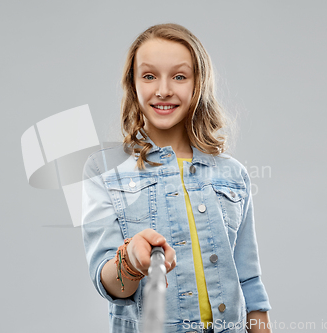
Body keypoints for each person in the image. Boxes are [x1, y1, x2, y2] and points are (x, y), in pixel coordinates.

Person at [81, 23, 272, 333]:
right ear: (133, 84)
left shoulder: (232, 173)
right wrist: (130, 261)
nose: (164, 89)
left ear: (199, 84)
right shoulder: (103, 170)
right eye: (149, 76)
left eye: (179, 76)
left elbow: (249, 280)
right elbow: (110, 285)